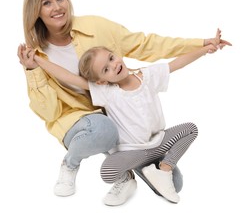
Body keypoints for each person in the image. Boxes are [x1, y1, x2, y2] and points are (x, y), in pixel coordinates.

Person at [17, 0, 231, 206]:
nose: (57, 7)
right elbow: (51, 108)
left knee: (174, 183)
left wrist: (200, 45)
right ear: (35, 11)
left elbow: (147, 45)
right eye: (46, 3)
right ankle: (71, 165)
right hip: (81, 122)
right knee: (102, 128)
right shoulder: (37, 56)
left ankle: (131, 172)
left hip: (123, 123)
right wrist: (35, 67)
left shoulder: (98, 30)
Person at [27, 29, 222, 204]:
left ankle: (164, 168)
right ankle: (139, 176)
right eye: (106, 69)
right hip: (132, 152)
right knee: (107, 172)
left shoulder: (147, 76)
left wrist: (205, 47)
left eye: (111, 58)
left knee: (190, 130)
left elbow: (177, 64)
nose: (114, 65)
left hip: (159, 142)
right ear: (102, 81)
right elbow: (69, 77)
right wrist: (37, 61)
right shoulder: (107, 93)